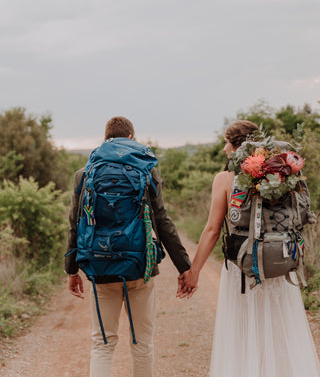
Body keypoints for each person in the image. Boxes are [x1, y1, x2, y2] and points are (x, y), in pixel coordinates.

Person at [177, 120, 320, 376]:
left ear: (235, 146)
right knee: (278, 330)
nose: (223, 149)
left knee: (243, 332)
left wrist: (194, 271)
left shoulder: (224, 179)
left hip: (242, 269)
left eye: (226, 143)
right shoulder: (280, 177)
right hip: (279, 267)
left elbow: (212, 230)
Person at [65, 116, 191, 377]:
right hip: (139, 269)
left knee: (102, 343)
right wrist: (185, 267)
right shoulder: (146, 171)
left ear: (105, 138)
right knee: (142, 344)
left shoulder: (84, 174)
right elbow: (162, 222)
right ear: (131, 137)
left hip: (99, 268)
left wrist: (71, 270)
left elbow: (75, 225)